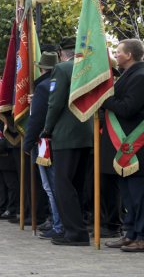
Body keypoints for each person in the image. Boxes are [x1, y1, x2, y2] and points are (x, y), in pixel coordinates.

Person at [42, 37, 95, 246]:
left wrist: (47, 128)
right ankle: (79, 228)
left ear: (61, 52)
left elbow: (55, 103)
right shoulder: (91, 67)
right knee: (78, 185)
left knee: (63, 184)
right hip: (85, 133)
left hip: (65, 134)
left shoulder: (62, 69)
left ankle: (75, 232)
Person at [101, 38, 144, 252]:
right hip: (124, 146)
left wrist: (103, 99)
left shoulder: (140, 76)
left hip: (137, 147)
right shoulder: (129, 74)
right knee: (128, 195)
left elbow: (128, 108)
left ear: (129, 55)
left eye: (118, 51)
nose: (116, 55)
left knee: (139, 196)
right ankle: (130, 233)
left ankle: (142, 236)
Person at [23, 50, 62, 239]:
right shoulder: (59, 83)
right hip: (60, 140)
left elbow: (36, 119)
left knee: (51, 186)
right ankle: (57, 222)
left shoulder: (43, 87)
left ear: (42, 68)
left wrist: (27, 142)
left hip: (45, 142)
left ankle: (58, 224)